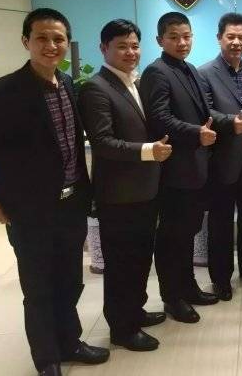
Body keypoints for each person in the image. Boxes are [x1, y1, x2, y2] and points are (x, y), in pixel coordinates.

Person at [0, 8, 110, 376]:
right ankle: (47, 360)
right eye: (41, 38)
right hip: (29, 211)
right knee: (39, 288)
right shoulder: (0, 92)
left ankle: (70, 342)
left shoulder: (69, 85)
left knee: (70, 281)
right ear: (25, 41)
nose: (51, 45)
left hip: (71, 204)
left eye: (58, 39)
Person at [140, 12, 242, 323]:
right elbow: (159, 118)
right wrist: (196, 133)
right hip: (174, 172)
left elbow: (205, 111)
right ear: (160, 40)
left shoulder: (189, 70)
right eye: (174, 37)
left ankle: (188, 288)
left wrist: (227, 121)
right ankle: (172, 298)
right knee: (172, 239)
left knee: (186, 234)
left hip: (196, 170)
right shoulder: (157, 72)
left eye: (186, 36)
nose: (181, 42)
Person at [78, 19, 172, 351]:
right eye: (122, 46)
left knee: (139, 258)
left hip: (144, 190)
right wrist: (148, 151)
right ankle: (122, 328)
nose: (130, 52)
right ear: (104, 48)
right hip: (118, 196)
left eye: (134, 45)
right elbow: (102, 142)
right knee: (121, 264)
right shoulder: (96, 88)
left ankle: (135, 311)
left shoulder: (135, 82)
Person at [198, 13, 242, 301]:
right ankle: (221, 278)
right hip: (221, 160)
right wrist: (229, 122)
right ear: (219, 38)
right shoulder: (204, 73)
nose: (236, 42)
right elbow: (205, 111)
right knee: (221, 221)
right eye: (231, 36)